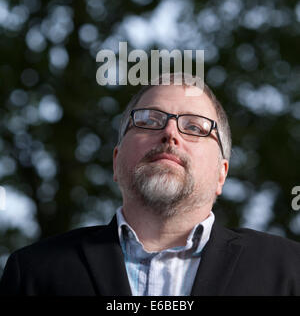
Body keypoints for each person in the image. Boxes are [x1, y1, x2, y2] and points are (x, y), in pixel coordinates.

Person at [1, 73, 300, 296]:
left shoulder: (290, 271)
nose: (170, 132)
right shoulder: (33, 272)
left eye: (194, 127)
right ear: (116, 161)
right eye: (148, 120)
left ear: (221, 173)